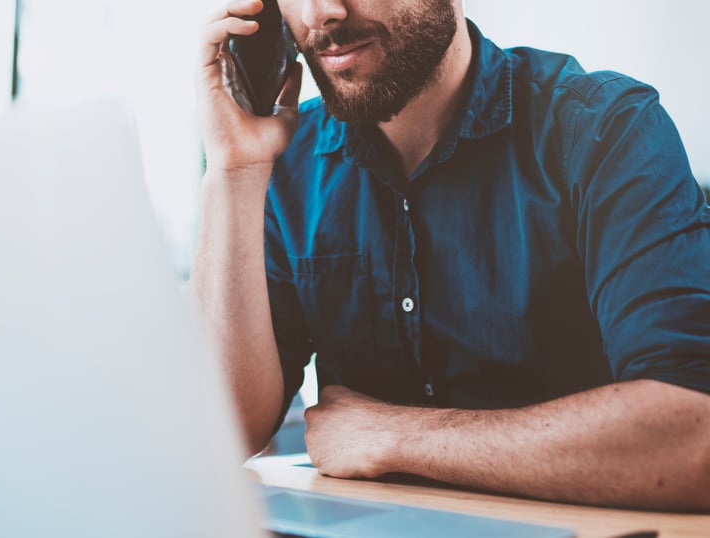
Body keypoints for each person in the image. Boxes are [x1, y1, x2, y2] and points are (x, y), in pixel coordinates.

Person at [192, 0, 710, 511]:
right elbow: (218, 433)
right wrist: (233, 170)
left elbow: (694, 435)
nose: (319, 14)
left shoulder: (603, 129)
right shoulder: (287, 165)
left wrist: (397, 435)